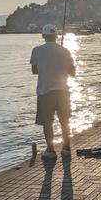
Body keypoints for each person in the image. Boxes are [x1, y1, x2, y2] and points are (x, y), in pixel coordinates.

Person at [30, 24, 76, 159]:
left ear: (43, 36)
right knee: (64, 121)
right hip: (63, 91)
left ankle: (50, 151)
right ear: (56, 36)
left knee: (47, 123)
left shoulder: (36, 50)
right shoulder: (65, 51)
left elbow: (34, 71)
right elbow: (72, 72)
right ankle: (66, 148)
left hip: (45, 91)